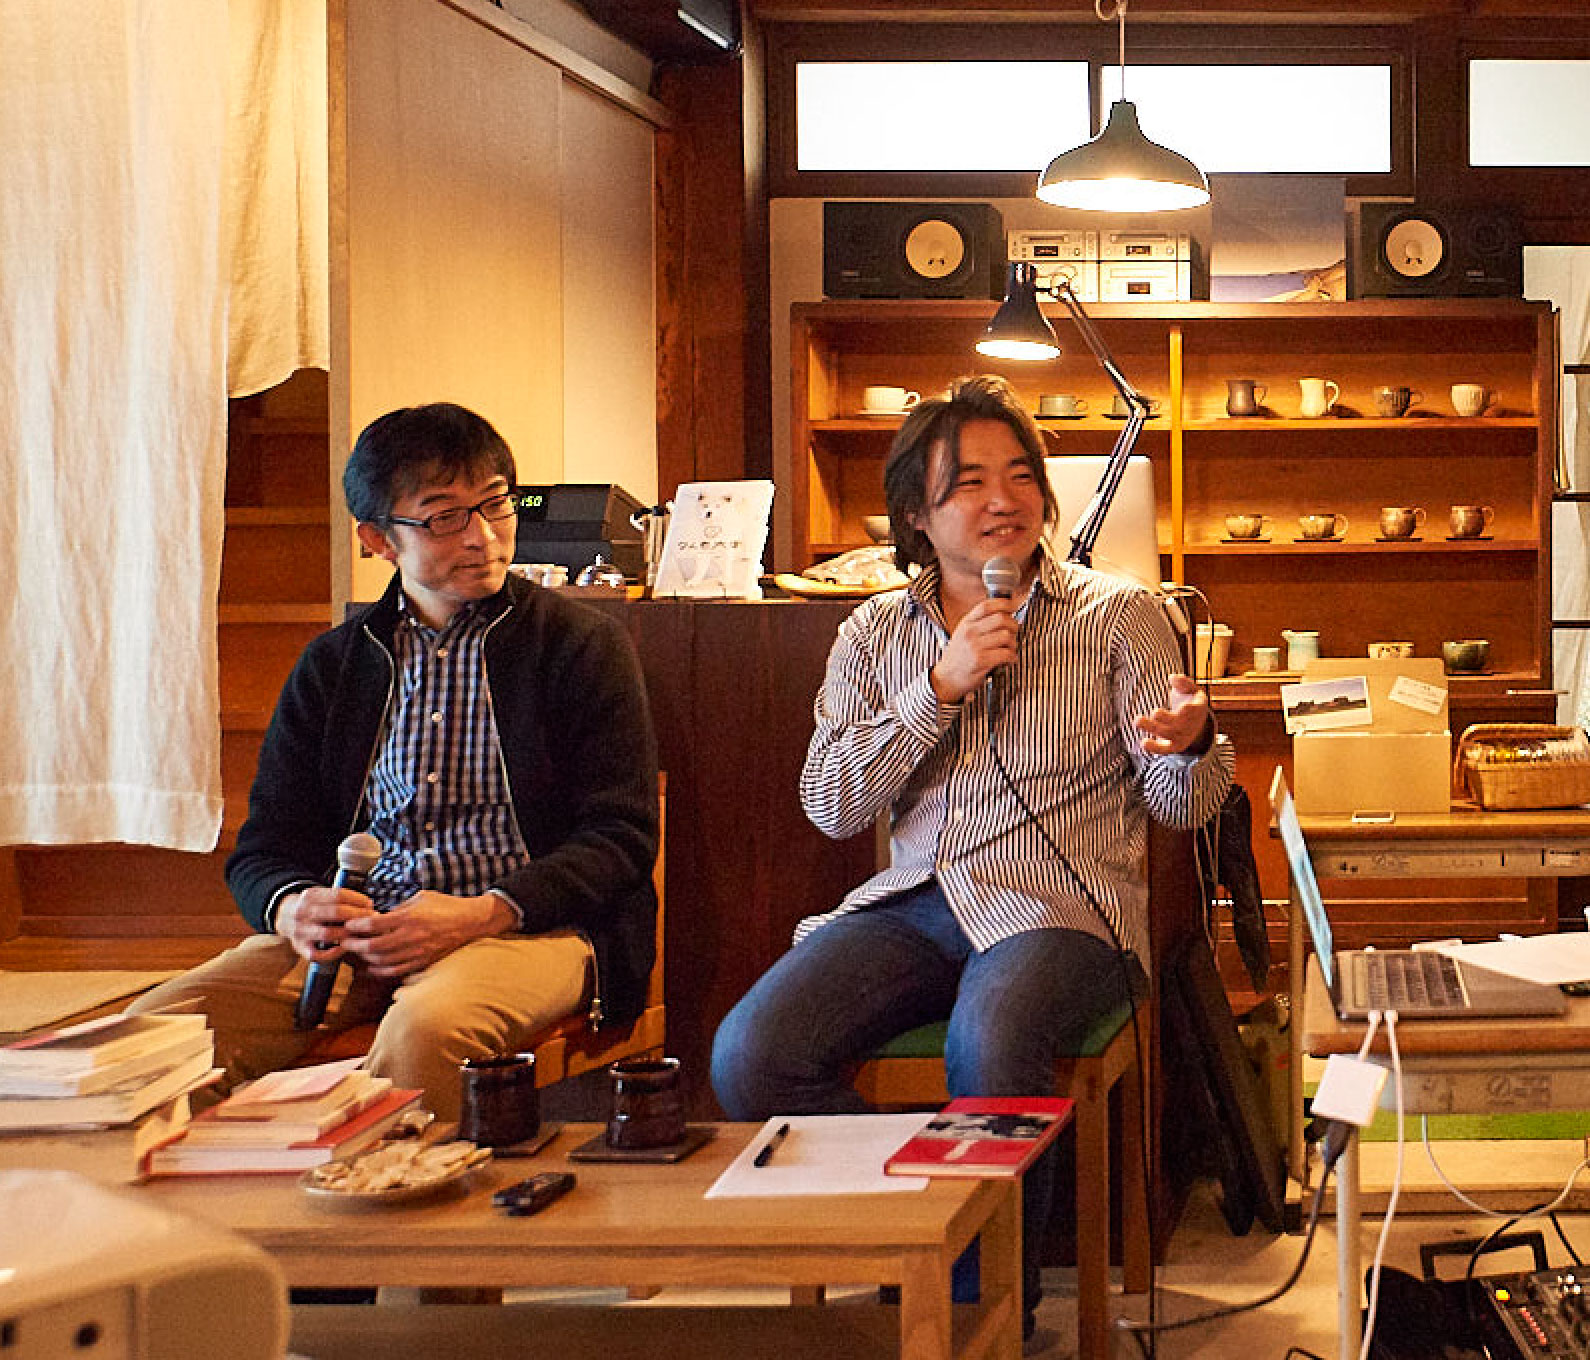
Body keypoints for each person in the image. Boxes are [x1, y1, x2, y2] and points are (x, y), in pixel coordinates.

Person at [710, 374, 1233, 1341]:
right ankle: (922, 1239)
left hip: (1065, 911)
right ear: (915, 512)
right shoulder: (873, 630)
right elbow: (831, 807)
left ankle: (977, 1322)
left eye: (1021, 475)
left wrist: (1193, 746)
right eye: (969, 482)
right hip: (915, 901)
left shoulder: (1121, 615)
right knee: (752, 1055)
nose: (1003, 500)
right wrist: (938, 691)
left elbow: (1181, 807)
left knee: (989, 1041)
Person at [132, 403, 659, 1121]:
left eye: (496, 505)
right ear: (378, 539)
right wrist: (292, 906)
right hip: (360, 938)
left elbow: (621, 838)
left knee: (426, 1031)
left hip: (528, 929)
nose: (482, 537)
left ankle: (388, 1191)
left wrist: (480, 914)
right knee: (154, 1038)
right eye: (443, 518)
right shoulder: (334, 665)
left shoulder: (578, 645)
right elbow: (264, 848)